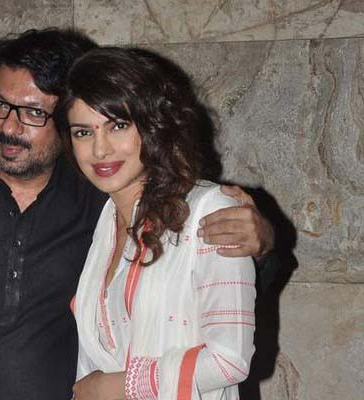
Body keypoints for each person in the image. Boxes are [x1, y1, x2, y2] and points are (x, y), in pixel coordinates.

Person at [0, 29, 273, 400]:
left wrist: (262, 243)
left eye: (33, 113)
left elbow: (218, 297)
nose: (10, 126)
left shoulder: (98, 196)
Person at [55, 46, 256, 399]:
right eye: (83, 132)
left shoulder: (207, 210)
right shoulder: (105, 222)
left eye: (118, 126)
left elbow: (230, 359)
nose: (100, 150)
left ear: (152, 125)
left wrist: (117, 386)